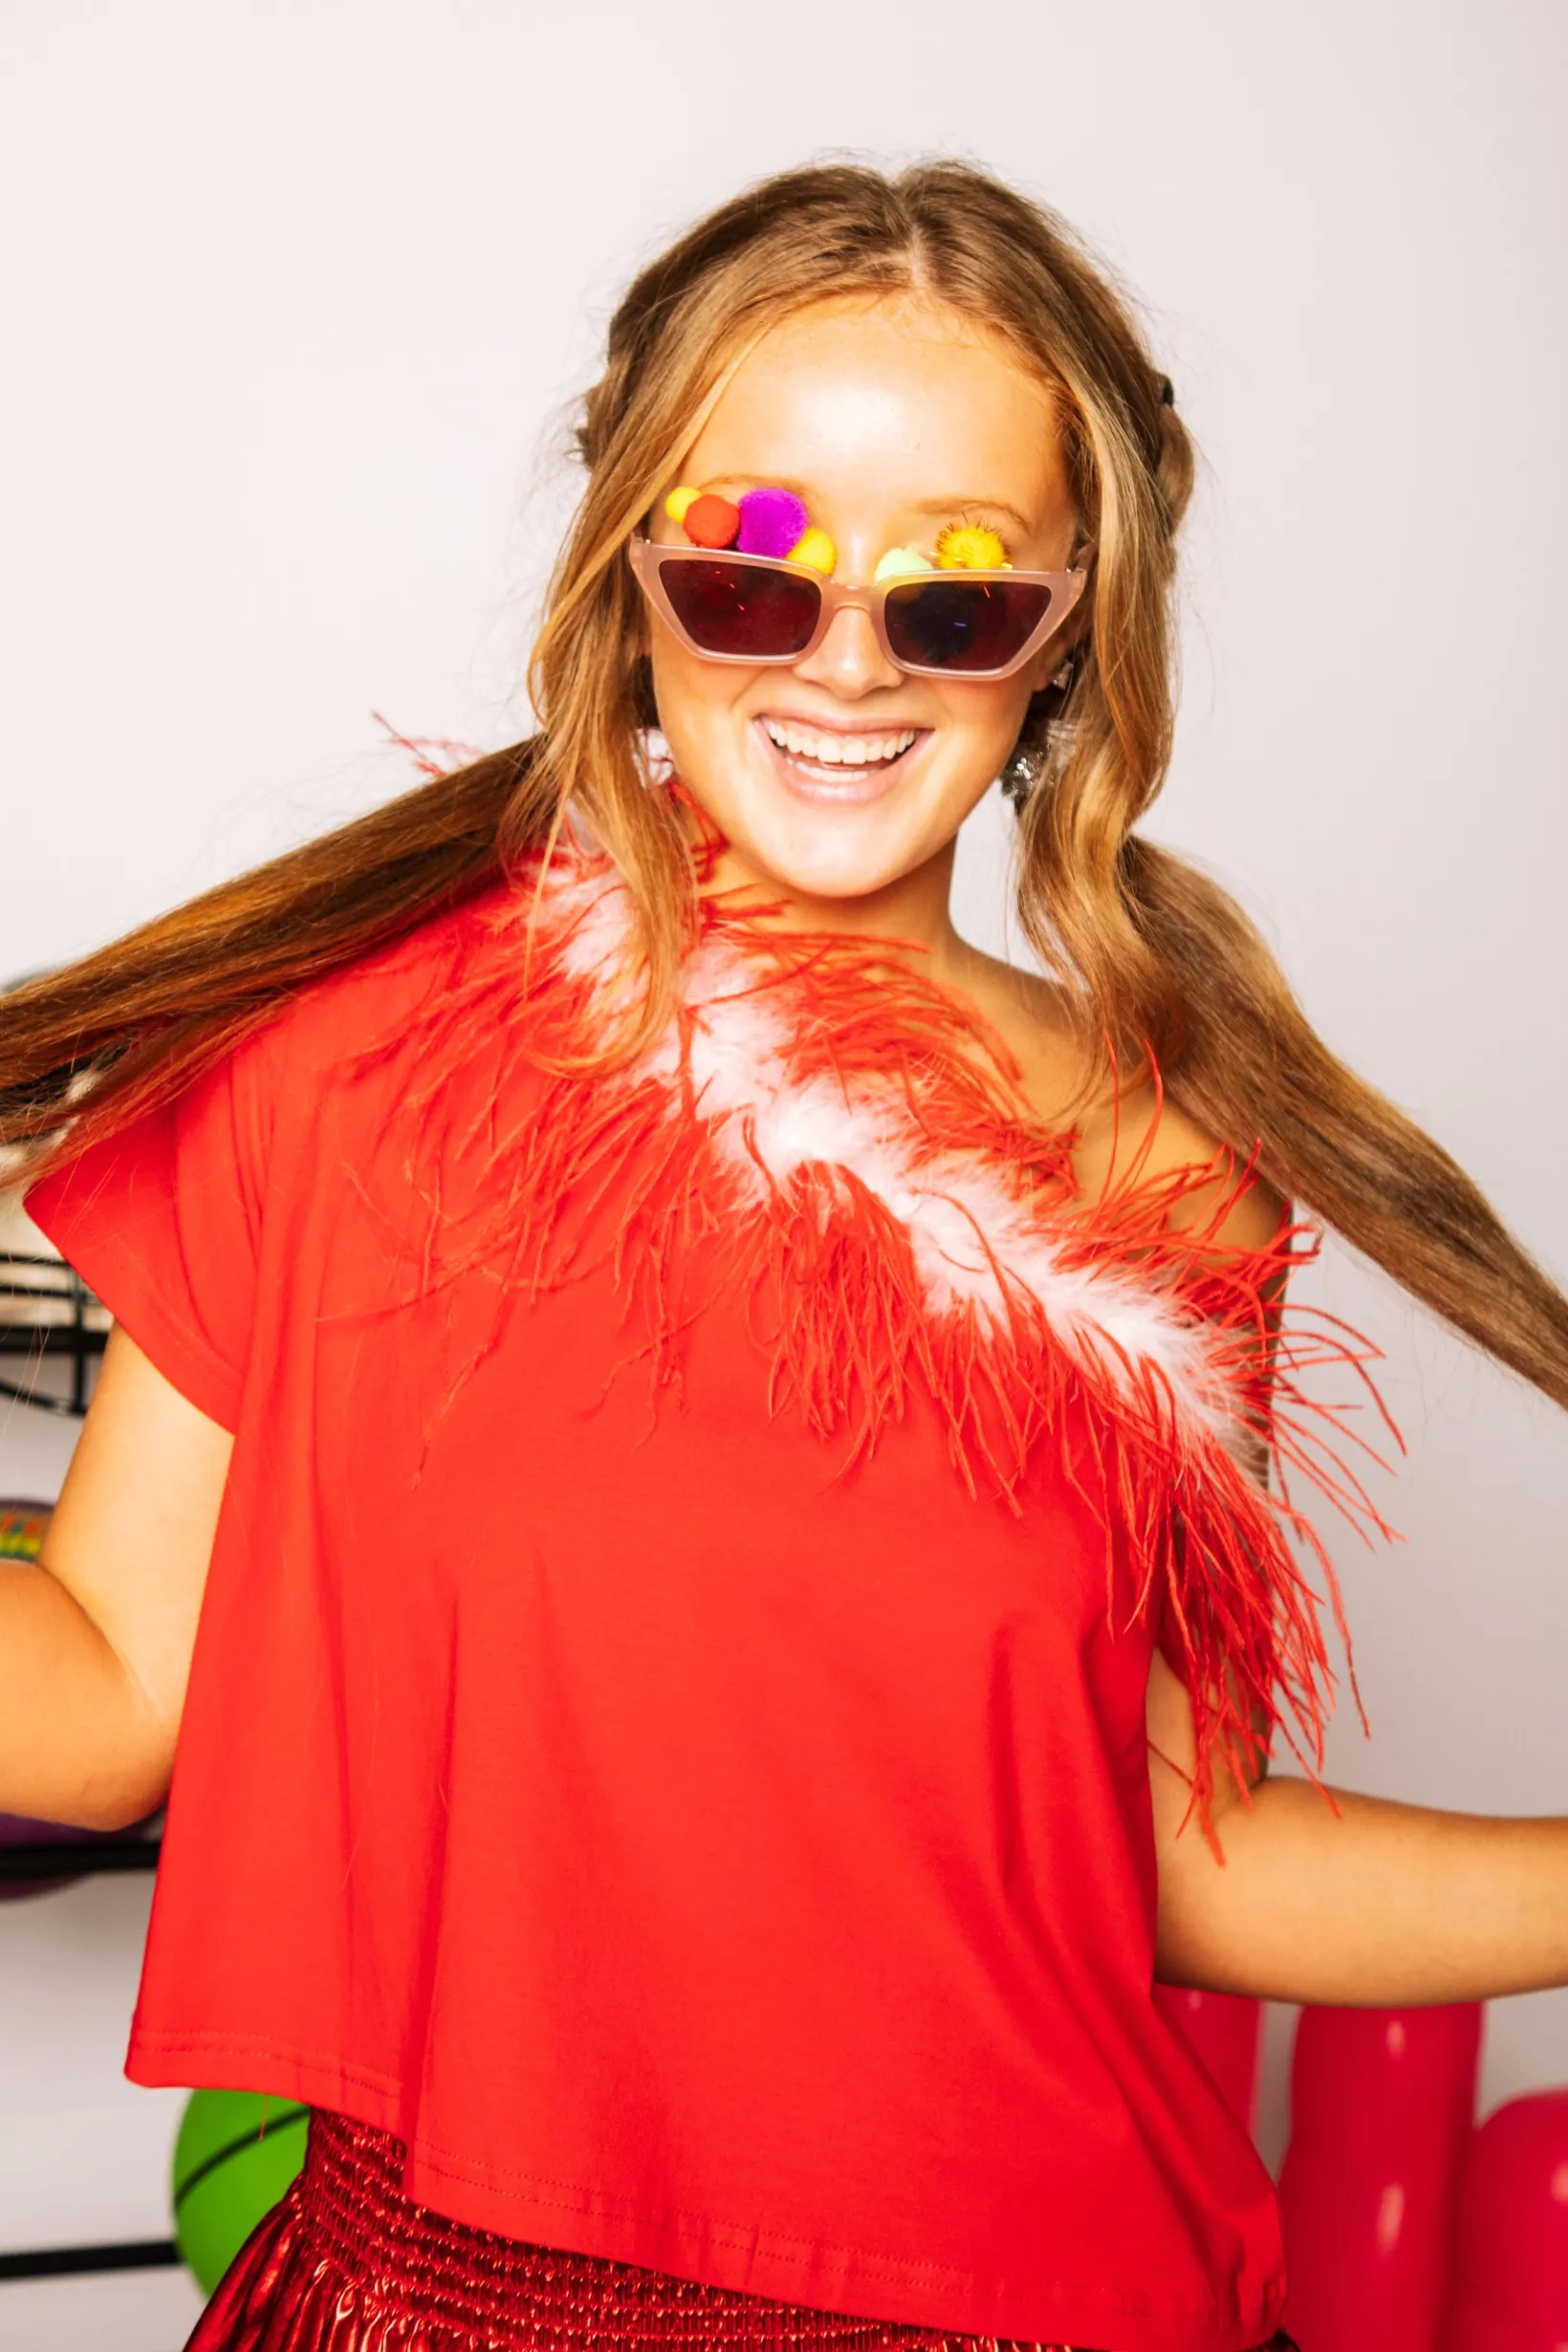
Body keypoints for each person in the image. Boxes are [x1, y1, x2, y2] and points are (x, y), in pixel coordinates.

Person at [0, 161, 1563, 2352]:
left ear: (1071, 624)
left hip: (1061, 2307)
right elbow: (98, 1698)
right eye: (746, 580)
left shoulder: (1176, 1174)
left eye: (948, 602)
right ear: (631, 579)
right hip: (460, 2303)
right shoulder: (352, 1062)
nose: (843, 669)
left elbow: (1162, 1847)